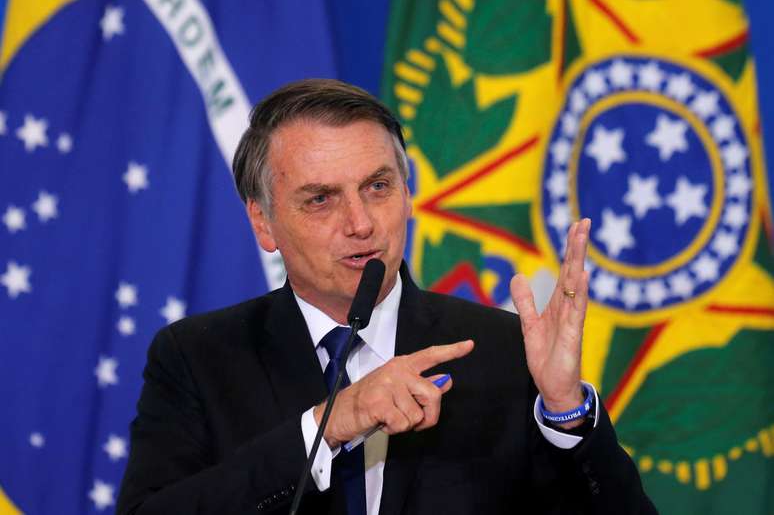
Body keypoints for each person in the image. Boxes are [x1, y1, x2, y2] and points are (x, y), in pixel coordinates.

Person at [117, 79, 656, 514]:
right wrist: (327, 427)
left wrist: (565, 412)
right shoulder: (198, 357)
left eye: (378, 187)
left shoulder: (502, 350)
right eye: (321, 199)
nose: (360, 224)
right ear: (264, 222)